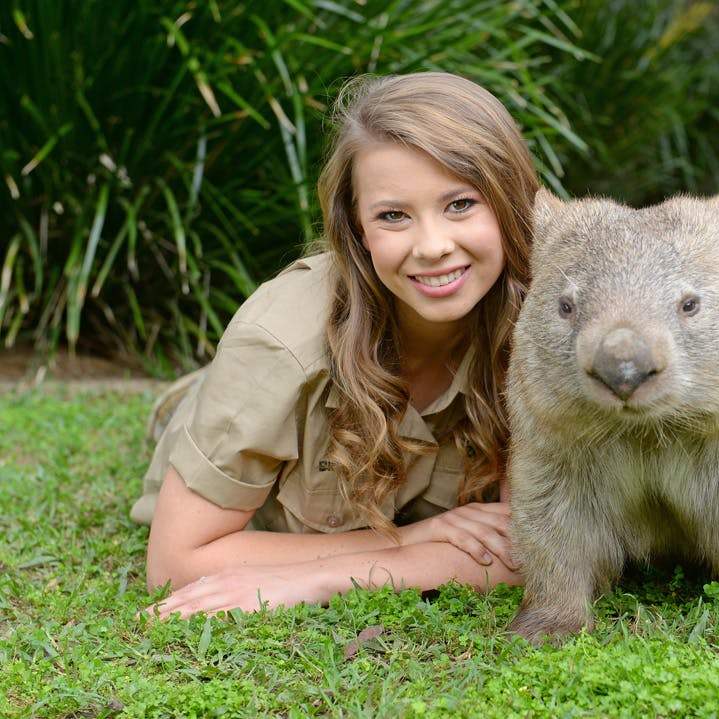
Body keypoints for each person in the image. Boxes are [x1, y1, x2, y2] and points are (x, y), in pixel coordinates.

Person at [131, 71, 539, 618]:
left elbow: (527, 552)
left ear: (510, 200)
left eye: (461, 204)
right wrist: (412, 542)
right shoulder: (278, 345)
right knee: (222, 397)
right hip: (259, 393)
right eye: (393, 215)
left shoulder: (545, 322)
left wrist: (320, 577)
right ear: (356, 230)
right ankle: (192, 393)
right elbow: (175, 563)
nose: (434, 246)